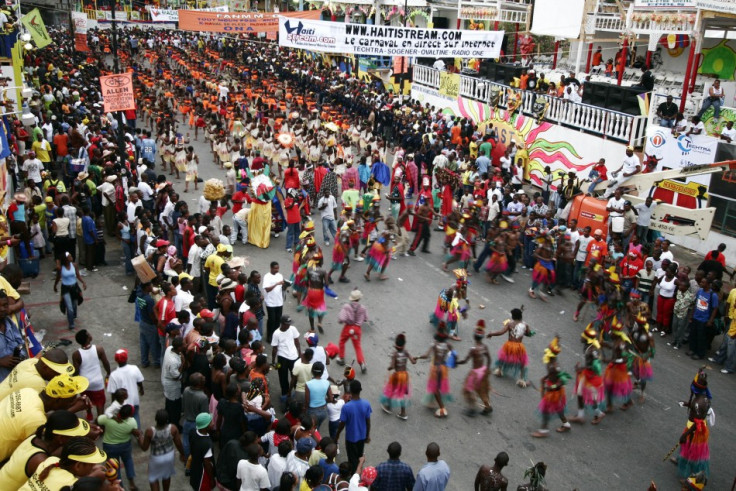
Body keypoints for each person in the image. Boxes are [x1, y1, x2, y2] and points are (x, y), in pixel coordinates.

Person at [19, 436, 107, 491]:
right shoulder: (72, 485)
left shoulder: (51, 461)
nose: (94, 466)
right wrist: (94, 478)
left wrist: (90, 472)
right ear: (78, 466)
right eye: (91, 464)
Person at [674, 369, 711, 482]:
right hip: (695, 428)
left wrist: (685, 434)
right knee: (687, 447)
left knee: (693, 452)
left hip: (695, 430)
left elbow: (697, 422)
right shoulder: (703, 397)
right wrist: (686, 404)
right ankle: (681, 459)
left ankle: (692, 478)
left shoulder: (698, 402)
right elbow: (697, 411)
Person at [139, 409, 185, 491]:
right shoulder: (173, 428)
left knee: (153, 478)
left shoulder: (150, 431)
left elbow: (144, 448)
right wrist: (182, 453)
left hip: (156, 458)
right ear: (167, 420)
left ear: (156, 419)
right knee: (166, 475)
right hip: (169, 456)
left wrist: (140, 438)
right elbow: (178, 444)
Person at [97, 404, 140, 490]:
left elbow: (98, 420)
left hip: (110, 446)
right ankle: (131, 483)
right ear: (130, 415)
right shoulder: (132, 422)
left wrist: (110, 414)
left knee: (113, 466)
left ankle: (119, 486)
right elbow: (136, 432)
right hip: (125, 445)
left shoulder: (108, 419)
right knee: (128, 461)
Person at [487, 308, 533, 387]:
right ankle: (522, 380)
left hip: (509, 345)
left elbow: (501, 332)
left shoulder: (510, 324)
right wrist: (528, 332)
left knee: (502, 358)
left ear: (513, 316)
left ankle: (499, 371)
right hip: (519, 346)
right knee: (522, 363)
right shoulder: (525, 325)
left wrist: (491, 334)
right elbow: (529, 334)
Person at [569, 325, 606, 425]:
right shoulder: (589, 346)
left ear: (587, 339)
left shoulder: (591, 351)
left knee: (592, 398)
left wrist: (581, 368)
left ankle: (599, 413)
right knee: (580, 394)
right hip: (587, 374)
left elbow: (594, 366)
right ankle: (581, 416)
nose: (581, 337)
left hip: (592, 377)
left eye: (583, 336)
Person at [456, 321, 493, 416]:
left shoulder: (473, 349)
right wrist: (487, 370)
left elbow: (465, 361)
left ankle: (472, 409)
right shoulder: (485, 347)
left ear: (474, 336)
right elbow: (489, 358)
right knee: (482, 391)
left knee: (468, 389)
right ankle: (487, 407)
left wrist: (457, 362)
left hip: (475, 373)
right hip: (483, 371)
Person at [335, 380, 372, 473]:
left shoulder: (346, 407)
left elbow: (342, 424)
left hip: (351, 438)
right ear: (360, 390)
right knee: (359, 455)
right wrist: (367, 435)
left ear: (350, 390)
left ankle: (354, 476)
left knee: (352, 459)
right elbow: (368, 422)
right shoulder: (366, 404)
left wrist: (337, 435)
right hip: (362, 436)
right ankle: (358, 471)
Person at [72, 329, 111, 417]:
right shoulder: (99, 349)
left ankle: (89, 414)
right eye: (88, 334)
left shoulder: (76, 354)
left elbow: (76, 371)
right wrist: (108, 373)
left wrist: (73, 381)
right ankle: (100, 421)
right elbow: (105, 363)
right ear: (87, 338)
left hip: (84, 383)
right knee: (100, 402)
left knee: (86, 400)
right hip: (97, 382)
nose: (90, 334)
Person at [380, 333, 417, 420]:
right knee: (402, 394)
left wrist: (389, 367)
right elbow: (413, 362)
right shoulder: (406, 352)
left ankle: (388, 407)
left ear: (396, 346)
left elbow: (392, 366)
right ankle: (403, 413)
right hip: (404, 375)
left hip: (397, 376)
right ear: (404, 345)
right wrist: (415, 358)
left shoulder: (395, 354)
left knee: (390, 390)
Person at [106, 349, 144, 426]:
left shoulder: (114, 375)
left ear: (116, 360)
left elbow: (113, 393)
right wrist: (141, 389)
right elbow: (139, 381)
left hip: (121, 403)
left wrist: (113, 404)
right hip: (134, 400)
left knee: (123, 421)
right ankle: (138, 433)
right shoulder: (134, 368)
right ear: (126, 358)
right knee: (135, 415)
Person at [53, 252, 87, 330]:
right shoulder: (61, 268)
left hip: (74, 287)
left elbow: (78, 275)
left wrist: (83, 282)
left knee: (74, 304)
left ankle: (73, 316)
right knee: (69, 307)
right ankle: (71, 324)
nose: (71, 257)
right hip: (65, 288)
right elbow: (58, 278)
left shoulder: (74, 265)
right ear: (65, 259)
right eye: (69, 256)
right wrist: (55, 286)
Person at [337, 289, 368, 372]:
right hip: (357, 329)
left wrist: (340, 321)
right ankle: (362, 363)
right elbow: (366, 319)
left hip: (348, 327)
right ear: (359, 298)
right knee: (357, 346)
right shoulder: (363, 308)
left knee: (342, 342)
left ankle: (341, 358)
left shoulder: (346, 307)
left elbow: (341, 318)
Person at [271, 315, 301, 400]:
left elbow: (297, 342)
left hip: (294, 356)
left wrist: (299, 354)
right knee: (283, 377)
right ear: (282, 324)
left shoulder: (293, 329)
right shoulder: (276, 333)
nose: (289, 326)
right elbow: (275, 348)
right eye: (287, 324)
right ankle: (285, 394)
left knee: (295, 376)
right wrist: (273, 361)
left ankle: (296, 394)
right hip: (282, 357)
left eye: (289, 324)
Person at [189, 412, 216, 491]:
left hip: (194, 467)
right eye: (210, 422)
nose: (213, 423)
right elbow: (207, 463)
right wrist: (211, 479)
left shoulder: (193, 432)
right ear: (205, 427)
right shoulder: (207, 444)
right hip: (203, 474)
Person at [263, 261, 284, 343]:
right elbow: (267, 289)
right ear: (271, 268)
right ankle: (269, 335)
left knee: (278, 320)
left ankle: (275, 335)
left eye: (278, 268)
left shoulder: (280, 275)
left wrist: (285, 286)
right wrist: (276, 284)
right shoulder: (267, 277)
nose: (277, 270)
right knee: (271, 320)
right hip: (270, 302)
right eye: (275, 268)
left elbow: (282, 287)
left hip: (279, 301)